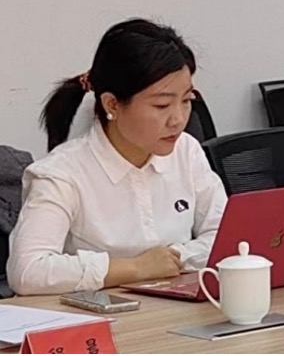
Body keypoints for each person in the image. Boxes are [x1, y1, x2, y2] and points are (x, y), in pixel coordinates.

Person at [7, 18, 227, 295]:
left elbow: (228, 236)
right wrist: (134, 268)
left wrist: (175, 258)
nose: (178, 119)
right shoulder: (61, 174)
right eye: (162, 105)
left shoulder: (187, 151)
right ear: (112, 104)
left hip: (175, 309)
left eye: (186, 101)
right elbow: (27, 271)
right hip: (94, 317)